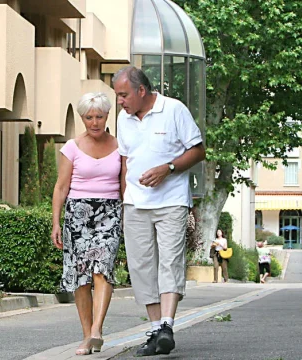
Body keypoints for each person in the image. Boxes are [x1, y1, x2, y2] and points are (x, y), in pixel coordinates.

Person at [113, 66, 206, 356]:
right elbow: (125, 162)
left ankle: (167, 324)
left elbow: (198, 150)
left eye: (124, 95)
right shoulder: (123, 119)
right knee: (141, 267)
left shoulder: (174, 109)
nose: (120, 101)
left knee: (169, 261)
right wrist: (124, 199)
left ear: (142, 91)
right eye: (117, 95)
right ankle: (155, 331)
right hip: (135, 204)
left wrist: (168, 169)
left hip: (171, 201)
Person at [51, 92, 122, 356]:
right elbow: (60, 187)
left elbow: (125, 184)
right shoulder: (71, 147)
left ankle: (97, 330)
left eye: (99, 117)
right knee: (80, 276)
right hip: (77, 214)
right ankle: (85, 336)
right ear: (82, 118)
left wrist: (129, 213)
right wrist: (56, 223)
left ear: (107, 116)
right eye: (89, 117)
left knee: (102, 268)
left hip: (110, 213)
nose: (94, 122)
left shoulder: (119, 146)